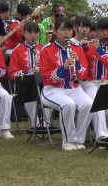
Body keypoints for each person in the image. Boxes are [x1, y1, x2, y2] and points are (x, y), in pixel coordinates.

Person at [39, 17, 92, 150]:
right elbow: (46, 76)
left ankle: (79, 140)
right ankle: (68, 141)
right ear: (55, 31)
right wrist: (63, 68)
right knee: (68, 104)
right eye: (63, 29)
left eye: (69, 29)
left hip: (73, 87)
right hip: (52, 89)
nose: (67, 33)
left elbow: (84, 74)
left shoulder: (78, 49)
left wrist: (78, 63)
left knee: (89, 104)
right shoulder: (46, 50)